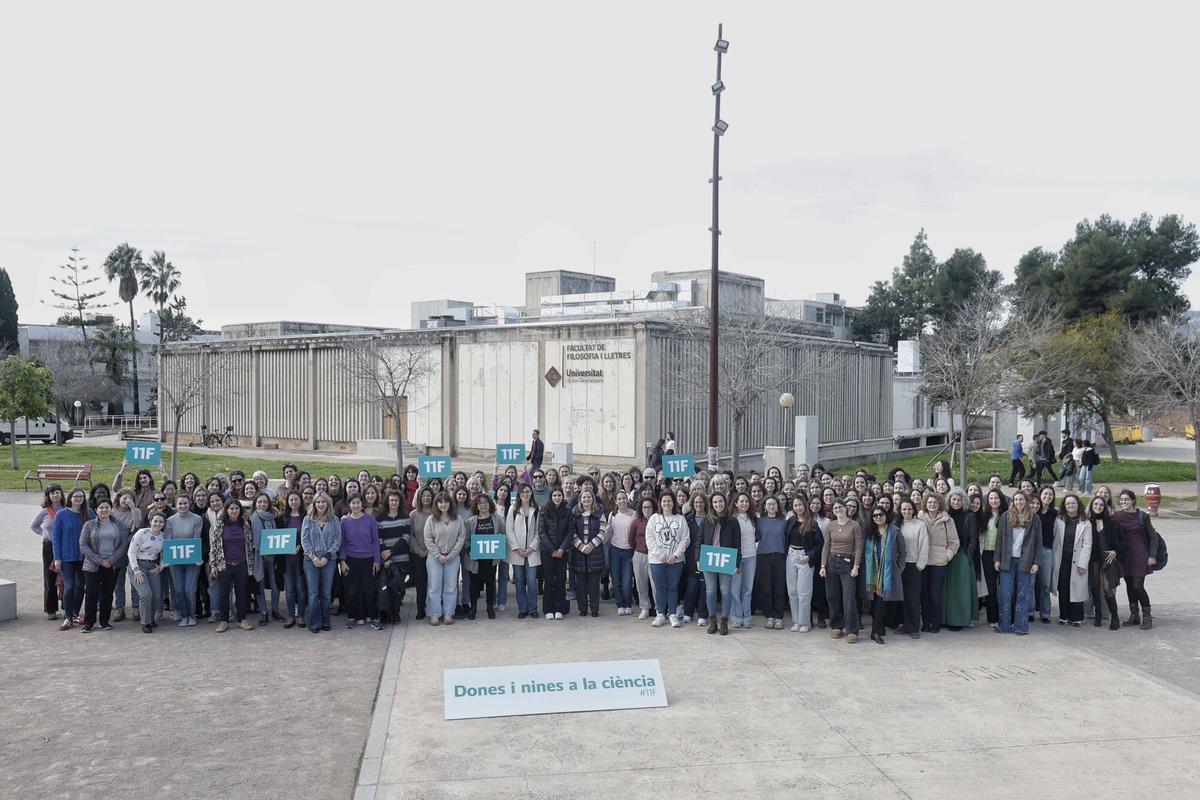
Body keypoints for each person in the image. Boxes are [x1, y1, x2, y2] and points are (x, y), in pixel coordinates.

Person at [78, 499, 129, 632]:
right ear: (96, 510)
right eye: (101, 508)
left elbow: (123, 544)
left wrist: (111, 561)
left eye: (106, 507)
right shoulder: (89, 525)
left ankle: (104, 621)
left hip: (112, 565)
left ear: (111, 509)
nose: (104, 510)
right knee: (91, 594)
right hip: (93, 565)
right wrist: (100, 560)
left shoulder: (119, 525)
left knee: (107, 594)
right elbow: (83, 545)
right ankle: (89, 622)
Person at [994, 491, 1041, 635]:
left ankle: (1021, 626)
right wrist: (997, 559)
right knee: (1005, 593)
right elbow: (999, 539)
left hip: (1025, 560)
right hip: (1007, 560)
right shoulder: (1005, 517)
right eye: (1016, 500)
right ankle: (1005, 625)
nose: (1019, 502)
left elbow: (1039, 542)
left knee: (1023, 594)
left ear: (1026, 501)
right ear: (1013, 502)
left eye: (1021, 499)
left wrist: (1036, 562)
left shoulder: (1034, 518)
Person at [1112, 490, 1158, 630]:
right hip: (1125, 556)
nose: (1123, 502)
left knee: (1138, 586)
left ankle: (1147, 617)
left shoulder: (1143, 516)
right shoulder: (1116, 517)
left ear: (1133, 501)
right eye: (1121, 500)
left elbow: (1153, 537)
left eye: (1126, 500)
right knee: (1130, 586)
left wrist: (1152, 556)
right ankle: (1134, 615)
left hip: (1140, 555)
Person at [820, 498, 863, 643]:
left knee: (849, 598)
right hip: (832, 562)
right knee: (832, 596)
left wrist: (856, 566)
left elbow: (858, 547)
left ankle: (852, 630)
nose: (838, 510)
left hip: (847, 564)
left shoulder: (854, 525)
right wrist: (823, 566)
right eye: (835, 508)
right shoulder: (830, 525)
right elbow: (826, 546)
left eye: (840, 507)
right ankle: (836, 625)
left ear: (846, 508)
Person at [210, 500, 255, 633]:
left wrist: (250, 565)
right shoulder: (220, 525)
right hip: (225, 565)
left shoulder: (245, 525)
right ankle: (224, 621)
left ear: (240, 510)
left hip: (241, 564)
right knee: (224, 594)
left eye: (236, 508)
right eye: (231, 508)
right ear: (227, 510)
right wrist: (213, 565)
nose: (234, 511)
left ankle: (242, 620)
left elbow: (249, 545)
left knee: (241, 593)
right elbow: (215, 546)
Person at [51, 488, 93, 630]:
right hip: (67, 557)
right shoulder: (61, 514)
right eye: (75, 496)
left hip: (84, 557)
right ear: (70, 498)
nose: (78, 498)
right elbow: (56, 537)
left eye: (81, 496)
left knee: (81, 586)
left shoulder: (89, 513)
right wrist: (57, 557)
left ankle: (75, 614)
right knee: (69, 587)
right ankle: (67, 617)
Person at [339, 495, 383, 629]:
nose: (356, 505)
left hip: (368, 559)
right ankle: (353, 617)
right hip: (351, 559)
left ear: (362, 504)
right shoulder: (344, 522)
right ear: (349, 505)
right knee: (352, 590)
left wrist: (377, 560)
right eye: (353, 503)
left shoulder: (370, 519)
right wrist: (342, 560)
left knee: (369, 589)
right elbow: (342, 544)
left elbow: (375, 541)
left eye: (358, 502)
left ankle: (373, 617)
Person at [646, 492, 689, 628]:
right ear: (660, 503)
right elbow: (650, 539)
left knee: (672, 588)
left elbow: (685, 539)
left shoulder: (680, 519)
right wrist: (660, 555)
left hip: (675, 561)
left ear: (673, 502)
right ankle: (660, 614)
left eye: (669, 501)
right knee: (660, 587)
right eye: (664, 501)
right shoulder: (654, 518)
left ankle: (672, 614)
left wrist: (675, 555)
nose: (666, 504)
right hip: (657, 560)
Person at [863, 507, 906, 645]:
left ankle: (875, 632)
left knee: (880, 602)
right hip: (872, 572)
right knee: (875, 602)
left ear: (886, 516)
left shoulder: (894, 531)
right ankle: (879, 627)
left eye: (880, 514)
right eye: (874, 515)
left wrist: (899, 568)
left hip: (887, 571)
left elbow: (902, 552)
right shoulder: (870, 532)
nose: (877, 517)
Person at [301, 492, 342, 633]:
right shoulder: (308, 519)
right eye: (318, 502)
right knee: (313, 593)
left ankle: (326, 621)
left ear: (328, 503)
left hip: (328, 560)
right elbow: (304, 540)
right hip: (310, 560)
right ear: (314, 504)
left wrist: (326, 556)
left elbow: (337, 540)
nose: (320, 504)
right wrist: (313, 557)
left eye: (323, 502)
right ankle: (314, 622)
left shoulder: (334, 519)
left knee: (325, 593)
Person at [423, 491, 465, 626]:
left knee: (451, 586)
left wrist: (452, 554)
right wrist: (438, 555)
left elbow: (461, 538)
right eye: (440, 502)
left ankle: (448, 613)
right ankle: (434, 614)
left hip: (452, 557)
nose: (443, 504)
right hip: (435, 558)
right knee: (434, 586)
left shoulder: (457, 519)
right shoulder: (431, 519)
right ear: (436, 504)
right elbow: (428, 539)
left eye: (446, 502)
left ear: (450, 503)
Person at [918, 491, 958, 634]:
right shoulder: (920, 517)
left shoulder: (947, 520)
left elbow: (954, 542)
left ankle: (936, 622)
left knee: (935, 593)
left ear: (940, 504)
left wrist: (947, 556)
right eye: (929, 502)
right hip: (923, 561)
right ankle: (926, 622)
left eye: (935, 502)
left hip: (939, 562)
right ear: (925, 504)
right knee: (924, 593)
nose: (932, 505)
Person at [1051, 494, 1091, 627]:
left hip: (1078, 560)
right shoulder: (1059, 520)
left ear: (1078, 505)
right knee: (1063, 587)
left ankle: (1077, 617)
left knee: (1076, 588)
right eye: (1068, 504)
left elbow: (1087, 545)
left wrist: (1082, 564)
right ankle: (1064, 616)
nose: (1070, 506)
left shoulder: (1085, 523)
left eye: (1073, 503)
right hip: (1062, 559)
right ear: (1064, 506)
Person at [785, 496, 822, 633]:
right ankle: (796, 621)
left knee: (804, 593)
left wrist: (809, 556)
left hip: (804, 558)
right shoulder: (790, 521)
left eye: (800, 505)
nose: (798, 508)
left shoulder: (812, 523)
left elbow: (820, 543)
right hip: (791, 556)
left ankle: (805, 622)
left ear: (805, 506)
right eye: (795, 505)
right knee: (792, 592)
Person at [164, 495, 204, 627]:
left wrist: (197, 557)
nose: (182, 506)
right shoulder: (169, 521)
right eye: (180, 503)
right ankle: (184, 616)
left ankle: (192, 616)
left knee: (189, 590)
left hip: (192, 560)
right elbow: (168, 541)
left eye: (185, 503)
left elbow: (195, 539)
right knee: (179, 590)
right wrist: (167, 559)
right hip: (175, 561)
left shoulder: (197, 519)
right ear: (176, 504)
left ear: (189, 503)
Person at [942, 488, 978, 629]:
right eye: (953, 499)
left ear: (964, 501)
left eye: (959, 500)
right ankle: (945, 618)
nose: (956, 502)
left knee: (961, 589)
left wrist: (967, 555)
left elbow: (973, 538)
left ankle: (959, 620)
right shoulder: (945, 514)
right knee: (946, 588)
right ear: (949, 501)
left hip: (962, 554)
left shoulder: (970, 515)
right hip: (946, 553)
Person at [464, 494, 504, 620]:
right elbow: (466, 539)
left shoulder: (497, 519)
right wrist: (470, 548)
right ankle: (473, 608)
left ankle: (489, 607)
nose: (483, 505)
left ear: (490, 504)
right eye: (480, 503)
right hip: (475, 559)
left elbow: (502, 535)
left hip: (491, 559)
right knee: (474, 584)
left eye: (485, 502)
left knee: (490, 582)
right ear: (476, 505)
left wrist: (500, 544)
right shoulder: (470, 522)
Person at [127, 511, 167, 634]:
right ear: (150, 521)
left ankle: (151, 618)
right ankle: (145, 622)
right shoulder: (142, 533)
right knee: (145, 594)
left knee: (156, 595)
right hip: (138, 566)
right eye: (155, 521)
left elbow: (167, 555)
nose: (157, 523)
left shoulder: (163, 536)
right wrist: (136, 570)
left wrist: (161, 567)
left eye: (161, 521)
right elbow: (131, 552)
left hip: (153, 566)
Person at [376, 490, 412, 625]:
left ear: (400, 502)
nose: (394, 503)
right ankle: (386, 612)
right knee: (386, 587)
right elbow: (378, 539)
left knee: (398, 588)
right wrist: (385, 558)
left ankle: (396, 612)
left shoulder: (405, 517)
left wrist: (391, 552)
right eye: (391, 500)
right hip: (386, 560)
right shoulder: (380, 519)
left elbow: (406, 538)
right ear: (387, 501)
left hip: (401, 559)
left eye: (396, 500)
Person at [1087, 495, 1123, 630]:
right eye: (1095, 504)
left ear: (1105, 507)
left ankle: (1115, 617)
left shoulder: (1111, 522)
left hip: (1108, 559)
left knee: (1107, 588)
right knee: (1095, 587)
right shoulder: (1087, 522)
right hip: (1093, 559)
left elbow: (1122, 540)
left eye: (1101, 505)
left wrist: (1115, 551)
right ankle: (1098, 614)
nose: (1098, 507)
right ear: (1092, 506)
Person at [505, 483, 540, 619]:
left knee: (532, 581)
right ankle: (523, 609)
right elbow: (509, 530)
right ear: (519, 494)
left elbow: (539, 531)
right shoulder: (513, 509)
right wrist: (517, 548)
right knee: (519, 581)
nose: (525, 494)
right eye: (522, 492)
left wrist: (532, 547)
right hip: (517, 552)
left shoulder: (537, 509)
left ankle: (533, 608)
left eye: (528, 491)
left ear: (531, 493)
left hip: (532, 552)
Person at [754, 496, 789, 630]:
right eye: (768, 504)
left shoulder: (783, 521)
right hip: (763, 556)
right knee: (766, 588)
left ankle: (779, 617)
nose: (771, 506)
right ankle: (769, 616)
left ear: (777, 506)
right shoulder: (759, 521)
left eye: (774, 504)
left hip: (780, 556)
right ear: (764, 506)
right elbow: (756, 537)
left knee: (779, 588)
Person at [570, 489, 607, 617]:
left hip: (595, 552)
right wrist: (581, 546)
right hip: (579, 553)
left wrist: (591, 545)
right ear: (580, 499)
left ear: (593, 499)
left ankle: (595, 609)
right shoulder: (575, 513)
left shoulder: (599, 513)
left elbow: (602, 532)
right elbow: (572, 532)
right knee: (580, 585)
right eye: (584, 497)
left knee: (593, 585)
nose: (586, 499)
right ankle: (583, 609)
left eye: (589, 497)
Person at [30, 485, 64, 621]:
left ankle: (67, 606)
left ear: (61, 494)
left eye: (57, 492)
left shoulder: (67, 509)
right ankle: (51, 609)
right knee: (50, 578)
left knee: (66, 577)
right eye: (52, 493)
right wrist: (45, 535)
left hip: (64, 546)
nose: (55, 495)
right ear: (48, 496)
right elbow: (33, 526)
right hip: (49, 547)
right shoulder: (44, 512)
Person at [729, 492, 758, 629]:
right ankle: (736, 617)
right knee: (735, 589)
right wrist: (737, 560)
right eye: (741, 501)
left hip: (751, 556)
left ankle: (747, 616)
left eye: (746, 501)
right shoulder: (732, 519)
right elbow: (731, 541)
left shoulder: (753, 518)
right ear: (736, 503)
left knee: (747, 589)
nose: (744, 504)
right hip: (737, 558)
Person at [280, 490, 307, 628]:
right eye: (291, 500)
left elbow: (309, 536)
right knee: (289, 588)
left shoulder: (306, 517)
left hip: (301, 558)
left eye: (296, 499)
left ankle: (301, 616)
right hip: (286, 559)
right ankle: (291, 616)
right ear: (288, 502)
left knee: (300, 588)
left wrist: (301, 546)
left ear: (300, 501)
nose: (294, 502)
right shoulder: (282, 518)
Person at [606, 491, 636, 616]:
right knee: (616, 580)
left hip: (628, 551)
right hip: (615, 550)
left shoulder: (634, 514)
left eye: (624, 498)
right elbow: (609, 533)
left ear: (627, 500)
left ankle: (628, 604)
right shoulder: (612, 515)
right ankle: (620, 604)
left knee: (627, 580)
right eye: (619, 499)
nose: (622, 501)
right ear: (616, 501)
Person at [979, 490, 1005, 628]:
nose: (994, 500)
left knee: (1004, 587)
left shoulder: (1006, 515)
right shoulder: (984, 515)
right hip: (987, 555)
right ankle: (993, 618)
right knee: (991, 588)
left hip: (1002, 554)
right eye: (991, 498)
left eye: (996, 498)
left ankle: (1005, 615)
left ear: (1001, 499)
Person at [1034, 486, 1058, 624]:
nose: (1047, 496)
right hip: (1032, 551)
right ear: (1040, 495)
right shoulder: (1033, 511)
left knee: (1045, 584)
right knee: (1031, 583)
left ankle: (1045, 612)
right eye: (1045, 494)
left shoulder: (1055, 514)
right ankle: (1030, 611)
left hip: (1047, 551)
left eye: (1050, 494)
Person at [630, 497, 655, 619]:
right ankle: (645, 607)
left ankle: (659, 608)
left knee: (655, 584)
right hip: (639, 554)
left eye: (649, 507)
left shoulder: (657, 520)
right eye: (644, 507)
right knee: (641, 583)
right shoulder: (636, 522)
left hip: (655, 556)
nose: (647, 509)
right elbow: (631, 540)